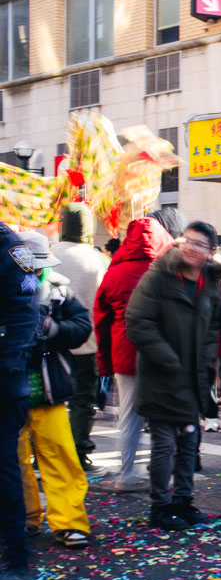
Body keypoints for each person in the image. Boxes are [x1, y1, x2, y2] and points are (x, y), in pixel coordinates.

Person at [125, 221, 221, 530]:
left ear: (210, 253)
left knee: (189, 441)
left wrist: (206, 361)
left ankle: (183, 500)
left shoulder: (211, 284)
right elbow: (138, 321)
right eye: (188, 241)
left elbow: (212, 330)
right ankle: (160, 505)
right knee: (164, 443)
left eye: (200, 245)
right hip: (162, 374)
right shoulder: (159, 276)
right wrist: (169, 360)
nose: (191, 248)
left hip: (194, 376)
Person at [16, 231, 93, 551]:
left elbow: (82, 326)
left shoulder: (59, 288)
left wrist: (55, 329)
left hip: (49, 387)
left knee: (59, 454)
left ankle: (69, 521)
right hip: (11, 389)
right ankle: (23, 517)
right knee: (12, 459)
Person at [94, 217, 176, 493]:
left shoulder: (114, 273)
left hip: (125, 351)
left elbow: (101, 321)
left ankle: (126, 474)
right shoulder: (169, 269)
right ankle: (164, 476)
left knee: (129, 415)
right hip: (164, 351)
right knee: (165, 416)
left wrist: (103, 362)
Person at [51, 203, 109, 473]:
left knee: (48, 401)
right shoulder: (97, 258)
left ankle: (45, 455)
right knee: (83, 400)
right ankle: (79, 453)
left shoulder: (49, 254)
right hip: (87, 342)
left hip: (50, 342)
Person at [0, 223, 42, 580]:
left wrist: (9, 363)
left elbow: (25, 314)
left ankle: (16, 560)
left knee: (4, 471)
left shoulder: (13, 251)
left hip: (2, 379)